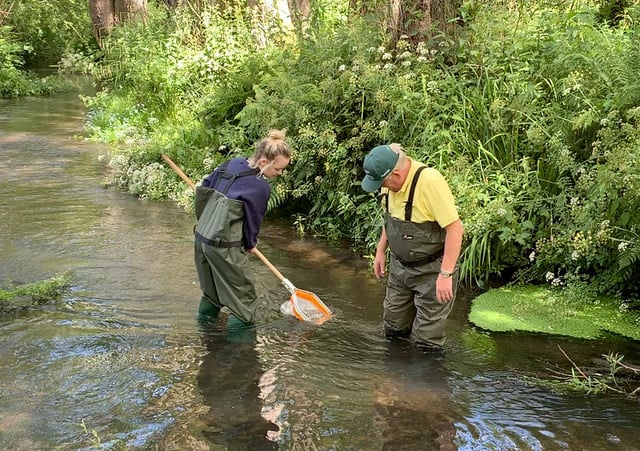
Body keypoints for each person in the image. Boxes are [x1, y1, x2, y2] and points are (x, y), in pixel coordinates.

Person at [361, 143, 464, 352]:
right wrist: (381, 251)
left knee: (427, 343)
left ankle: (424, 384)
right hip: (399, 269)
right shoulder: (387, 181)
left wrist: (445, 275)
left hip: (432, 271)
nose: (382, 187)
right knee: (393, 330)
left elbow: (455, 229)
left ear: (396, 175)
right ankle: (393, 380)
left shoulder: (430, 182)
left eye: (383, 182)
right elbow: (389, 219)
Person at [195, 129, 291, 325]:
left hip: (201, 238)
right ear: (264, 162)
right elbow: (252, 223)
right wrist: (250, 243)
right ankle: (241, 353)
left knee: (211, 293)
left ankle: (204, 335)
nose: (280, 173)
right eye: (278, 169)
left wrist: (208, 224)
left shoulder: (232, 163)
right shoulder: (260, 187)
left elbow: (204, 188)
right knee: (243, 301)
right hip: (224, 246)